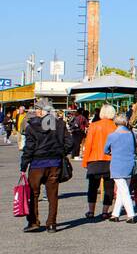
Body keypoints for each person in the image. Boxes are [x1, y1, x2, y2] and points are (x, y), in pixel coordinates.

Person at [19, 98, 76, 233]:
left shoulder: (32, 126)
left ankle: (33, 222)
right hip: (55, 163)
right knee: (52, 194)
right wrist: (61, 152)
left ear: (40, 111)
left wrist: (23, 165)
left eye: (37, 109)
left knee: (33, 194)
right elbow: (70, 143)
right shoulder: (60, 124)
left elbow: (29, 148)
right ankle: (51, 223)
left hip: (37, 164)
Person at [82, 104, 118, 220]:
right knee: (109, 187)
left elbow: (88, 144)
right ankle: (105, 211)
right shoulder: (115, 127)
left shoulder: (94, 125)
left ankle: (91, 211)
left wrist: (85, 161)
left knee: (92, 186)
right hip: (110, 159)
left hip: (94, 158)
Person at [104, 113, 137, 223]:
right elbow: (135, 148)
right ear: (126, 122)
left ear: (115, 123)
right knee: (122, 190)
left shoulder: (112, 135)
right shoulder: (132, 134)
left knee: (123, 190)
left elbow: (106, 150)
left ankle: (131, 214)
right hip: (129, 164)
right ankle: (115, 214)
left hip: (117, 164)